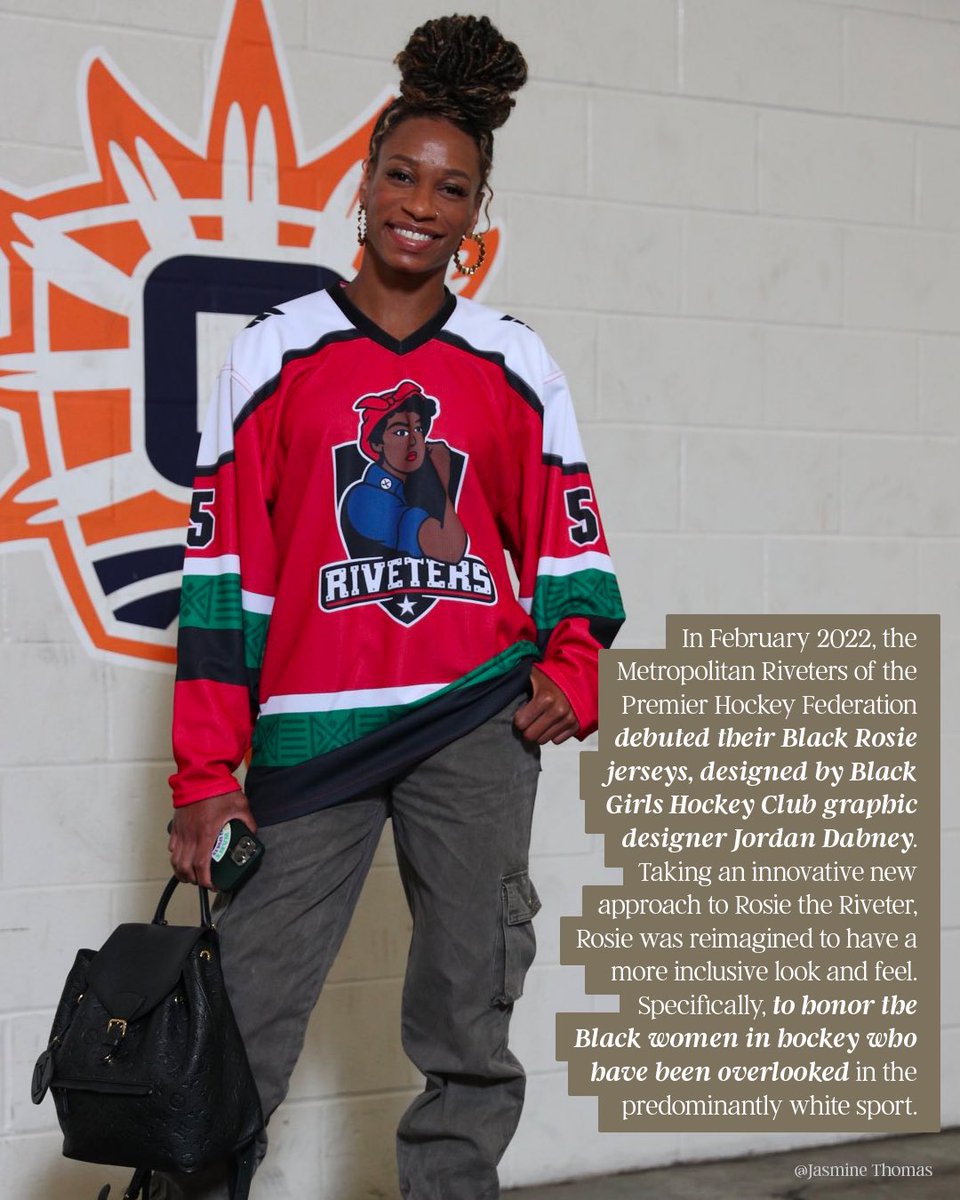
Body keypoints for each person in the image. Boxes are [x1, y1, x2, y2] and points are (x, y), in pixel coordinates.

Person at [165, 14, 624, 1199]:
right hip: (310, 735)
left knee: (468, 1027)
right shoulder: (274, 355)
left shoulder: (515, 363)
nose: (423, 202)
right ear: (363, 187)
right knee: (245, 1026)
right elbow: (223, 577)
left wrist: (574, 662)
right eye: (403, 175)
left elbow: (569, 536)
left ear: (477, 213)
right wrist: (207, 775)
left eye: (453, 187)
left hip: (473, 724)